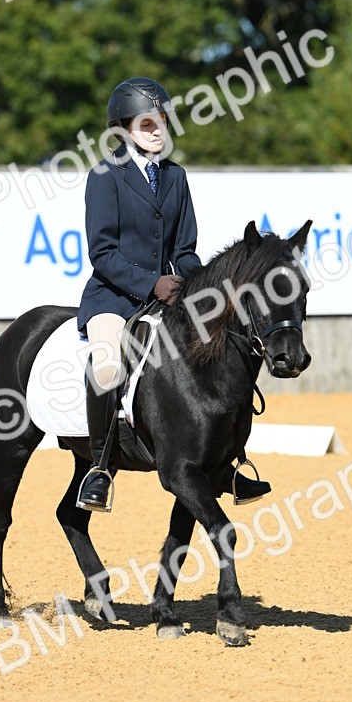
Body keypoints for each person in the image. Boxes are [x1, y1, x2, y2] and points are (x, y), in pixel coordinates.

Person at [75, 76, 270, 512]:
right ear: (123, 129)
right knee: (107, 366)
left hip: (167, 296)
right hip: (115, 298)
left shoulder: (175, 177)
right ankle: (100, 469)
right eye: (147, 124)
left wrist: (194, 283)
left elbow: (184, 250)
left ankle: (228, 465)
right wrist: (151, 282)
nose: (158, 130)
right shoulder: (105, 177)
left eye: (162, 121)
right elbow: (102, 253)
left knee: (216, 350)